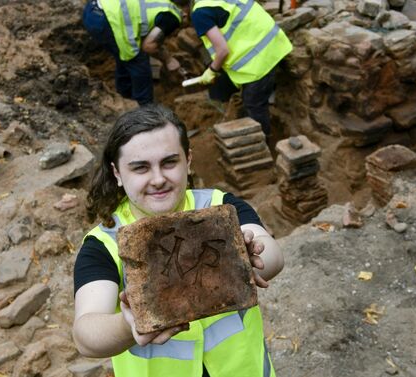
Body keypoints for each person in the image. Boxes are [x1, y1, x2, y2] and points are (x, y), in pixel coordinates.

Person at [73, 104, 284, 376]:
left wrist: (247, 258)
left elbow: (274, 255)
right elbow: (86, 333)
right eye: (140, 168)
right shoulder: (104, 244)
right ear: (117, 174)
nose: (158, 179)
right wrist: (130, 325)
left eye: (169, 162)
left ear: (189, 160)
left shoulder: (219, 205)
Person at [175, 0, 292, 139]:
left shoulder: (200, 13)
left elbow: (223, 50)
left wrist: (211, 70)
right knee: (250, 98)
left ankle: (262, 143)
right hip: (274, 41)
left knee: (253, 103)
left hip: (260, 58)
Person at [82, 0, 183, 105]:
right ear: (184, 16)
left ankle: (124, 97)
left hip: (92, 10)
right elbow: (148, 46)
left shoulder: (162, 3)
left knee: (124, 57)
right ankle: (144, 110)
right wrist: (169, 60)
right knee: (138, 63)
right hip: (108, 21)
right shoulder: (173, 18)